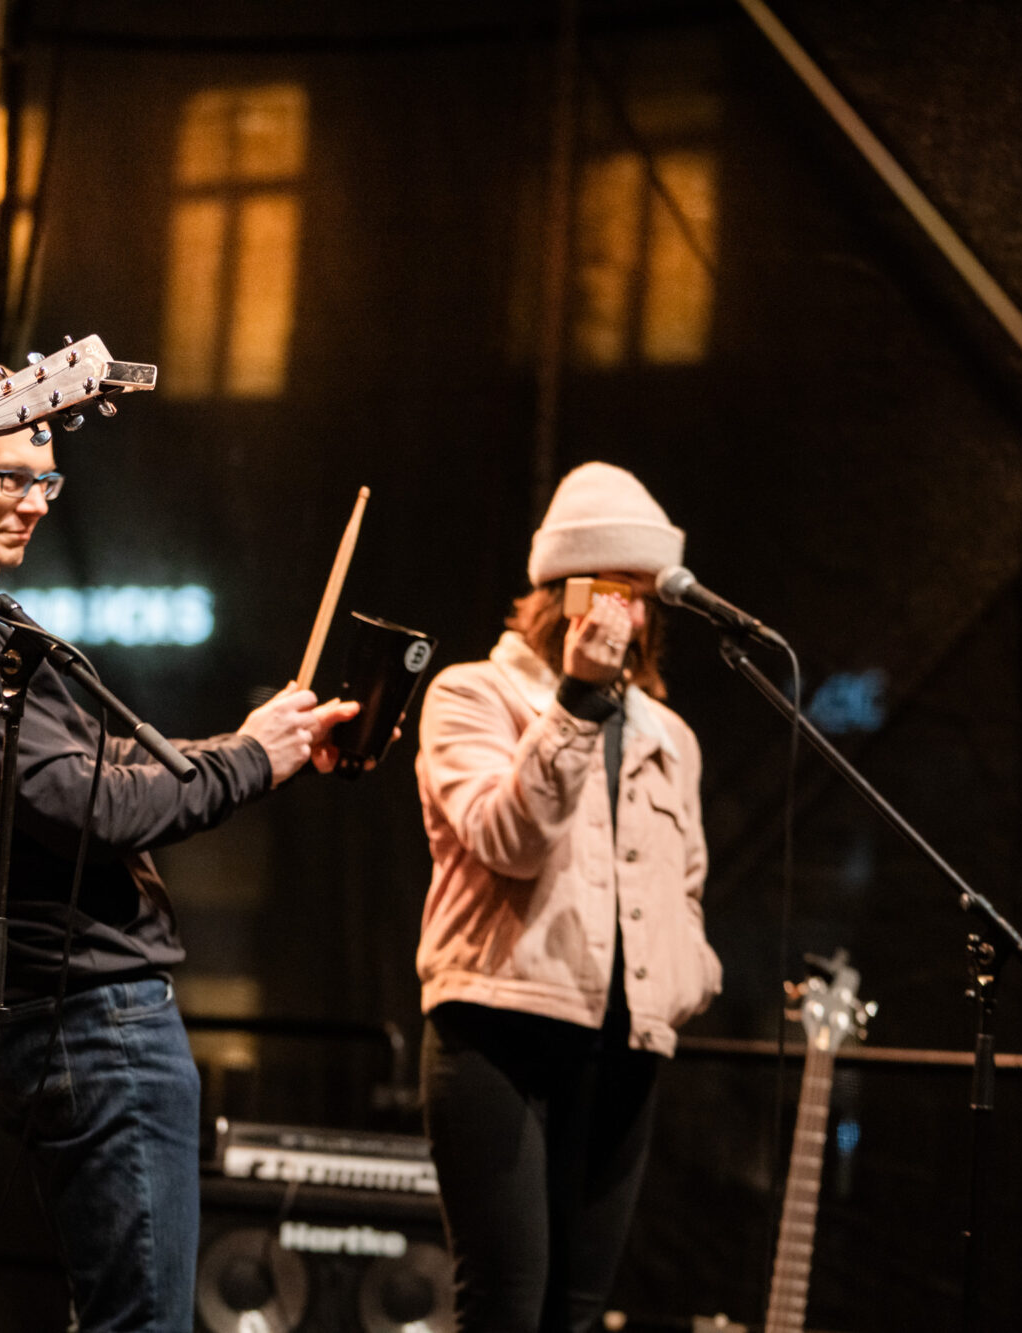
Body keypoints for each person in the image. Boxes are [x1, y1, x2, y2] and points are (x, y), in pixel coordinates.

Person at [0, 355, 358, 1332]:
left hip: (76, 1012)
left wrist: (256, 747)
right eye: (10, 478)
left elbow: (93, 768)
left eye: (46, 481)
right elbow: (81, 803)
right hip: (90, 1016)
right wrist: (249, 760)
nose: (35, 503)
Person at [413, 462, 724, 1333]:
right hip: (499, 1036)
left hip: (624, 1047)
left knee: (578, 1315)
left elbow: (686, 885)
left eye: (643, 598)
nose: (630, 618)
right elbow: (509, 839)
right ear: (560, 594)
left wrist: (689, 977)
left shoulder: (671, 736)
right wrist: (577, 701)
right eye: (610, 592)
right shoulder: (472, 694)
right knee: (506, 1307)